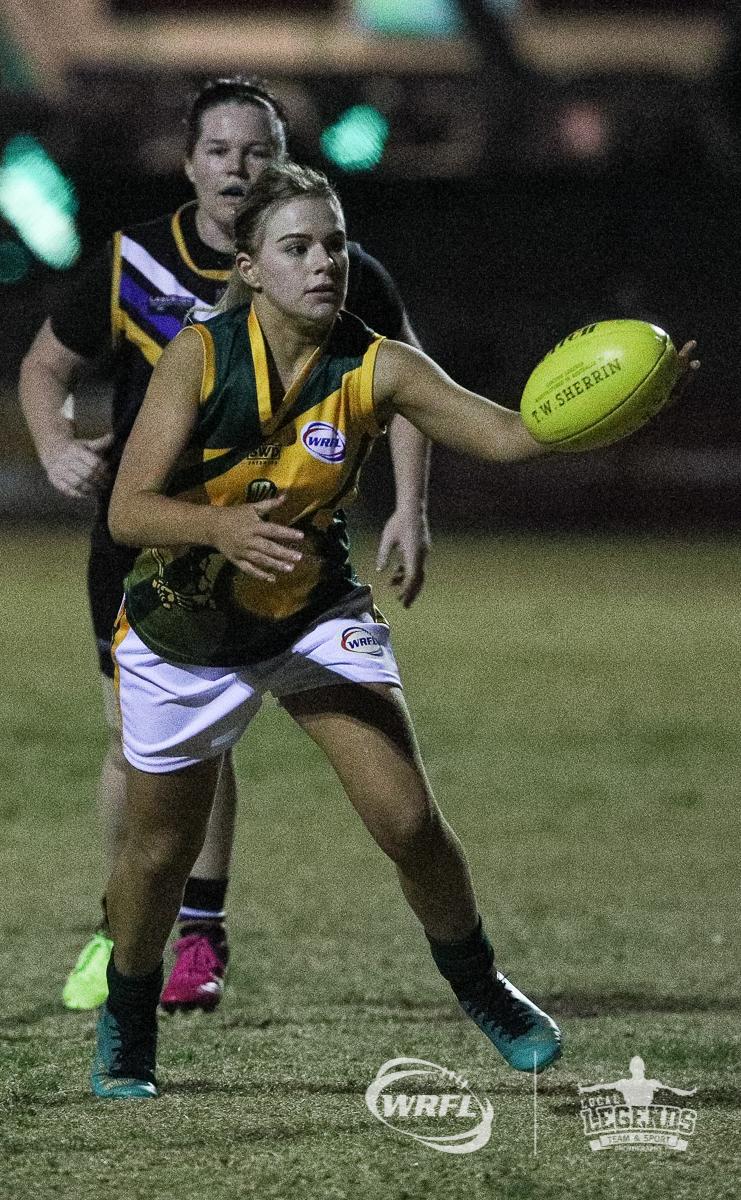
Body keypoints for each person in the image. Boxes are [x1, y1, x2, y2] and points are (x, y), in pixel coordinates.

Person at [91, 161, 698, 1097]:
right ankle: (126, 1027)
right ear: (250, 268)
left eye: (333, 243)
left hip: (311, 612)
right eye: (296, 247)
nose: (323, 262)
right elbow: (128, 511)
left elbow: (507, 434)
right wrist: (217, 526)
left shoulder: (378, 364)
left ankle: (482, 986)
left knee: (409, 819)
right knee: (159, 853)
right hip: (185, 629)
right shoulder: (199, 357)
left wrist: (619, 404)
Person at [19, 77, 431, 1014]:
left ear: (279, 159)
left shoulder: (333, 262)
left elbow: (411, 382)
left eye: (257, 150)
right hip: (150, 543)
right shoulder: (133, 264)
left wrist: (410, 506)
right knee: (143, 745)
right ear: (189, 164)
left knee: (217, 740)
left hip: (283, 550)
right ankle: (123, 922)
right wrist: (53, 443)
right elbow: (46, 363)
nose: (238, 168)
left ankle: (198, 935)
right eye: (220, 151)